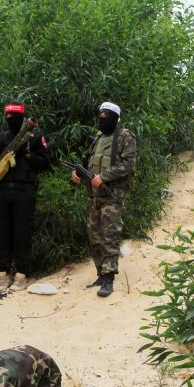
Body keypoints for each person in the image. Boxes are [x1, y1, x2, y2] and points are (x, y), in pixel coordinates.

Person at [0, 103, 50, 293]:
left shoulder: (34, 138)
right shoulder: (2, 139)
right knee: (2, 232)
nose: (10, 119)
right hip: (2, 192)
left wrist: (28, 154)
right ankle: (3, 274)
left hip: (25, 191)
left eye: (14, 115)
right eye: (8, 115)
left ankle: (21, 275)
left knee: (22, 233)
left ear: (22, 117)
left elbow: (45, 163)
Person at [71, 102, 136, 297]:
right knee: (94, 235)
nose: (102, 118)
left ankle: (109, 278)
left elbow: (128, 164)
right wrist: (77, 171)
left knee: (110, 235)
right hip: (93, 196)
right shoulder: (98, 137)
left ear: (115, 117)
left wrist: (104, 177)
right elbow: (89, 159)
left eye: (106, 115)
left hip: (112, 195)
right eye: (100, 115)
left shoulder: (125, 136)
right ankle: (100, 272)